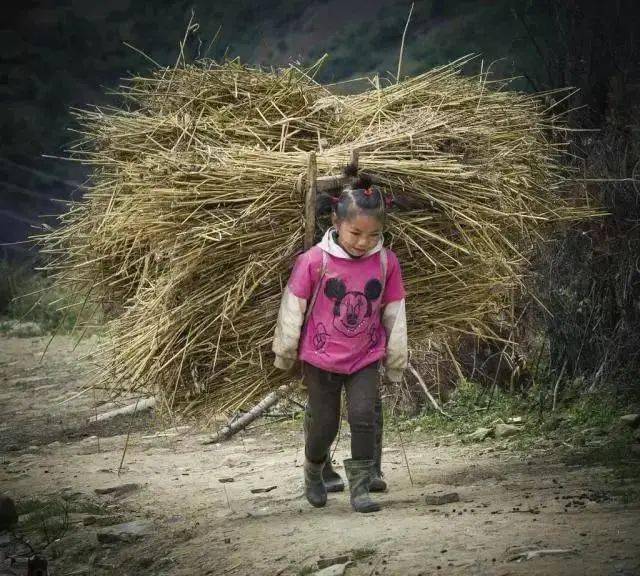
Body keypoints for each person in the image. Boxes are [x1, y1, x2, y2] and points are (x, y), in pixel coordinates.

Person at [272, 166, 408, 513]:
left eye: (373, 234)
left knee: (364, 415)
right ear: (335, 222)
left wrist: (395, 360)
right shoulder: (315, 262)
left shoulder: (385, 263)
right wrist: (285, 352)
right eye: (355, 233)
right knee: (325, 423)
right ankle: (313, 469)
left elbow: (395, 311)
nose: (363, 242)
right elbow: (293, 306)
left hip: (364, 356)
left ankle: (360, 488)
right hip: (320, 359)